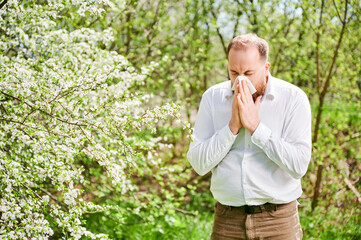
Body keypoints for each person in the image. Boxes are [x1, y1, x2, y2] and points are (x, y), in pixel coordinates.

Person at [187, 33, 311, 240]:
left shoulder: (293, 98)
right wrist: (232, 127)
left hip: (278, 220)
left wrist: (256, 127)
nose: (240, 81)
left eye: (248, 73)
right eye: (234, 73)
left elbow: (299, 166)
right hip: (227, 220)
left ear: (266, 68)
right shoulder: (212, 98)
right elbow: (199, 164)